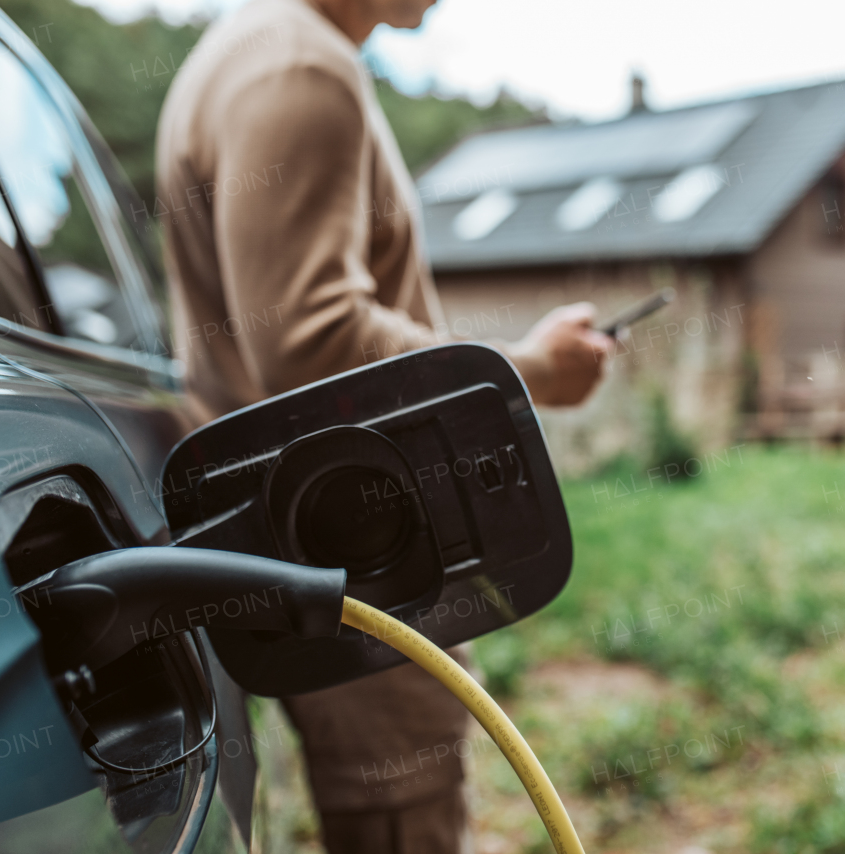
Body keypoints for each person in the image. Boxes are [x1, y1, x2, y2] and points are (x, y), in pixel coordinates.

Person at [155, 0, 611, 849]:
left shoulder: (253, 47)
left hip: (314, 556)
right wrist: (527, 367)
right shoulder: (301, 66)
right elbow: (309, 343)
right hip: (353, 558)